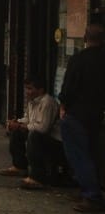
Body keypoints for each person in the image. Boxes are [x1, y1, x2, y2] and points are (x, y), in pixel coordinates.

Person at [59, 22, 105, 212]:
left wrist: (63, 106)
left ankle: (91, 195)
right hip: (96, 115)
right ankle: (90, 190)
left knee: (79, 155)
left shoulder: (79, 59)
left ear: (85, 39)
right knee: (93, 153)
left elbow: (69, 87)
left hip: (77, 114)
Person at [0, 76, 62, 190]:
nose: (27, 92)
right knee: (17, 131)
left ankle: (37, 177)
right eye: (26, 89)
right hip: (41, 136)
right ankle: (19, 166)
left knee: (34, 136)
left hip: (55, 142)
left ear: (40, 90)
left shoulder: (47, 102)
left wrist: (22, 126)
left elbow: (43, 128)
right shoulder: (32, 102)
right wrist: (16, 123)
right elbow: (28, 119)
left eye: (30, 89)